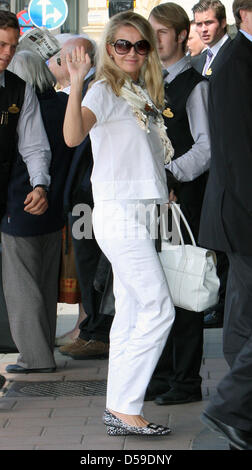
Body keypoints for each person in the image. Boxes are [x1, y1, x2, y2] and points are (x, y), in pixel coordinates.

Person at [63, 10, 175, 436]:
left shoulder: (137, 91)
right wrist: (76, 84)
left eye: (140, 44)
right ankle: (127, 405)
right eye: (122, 44)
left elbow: (143, 157)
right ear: (109, 48)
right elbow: (73, 136)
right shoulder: (104, 90)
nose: (131, 52)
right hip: (118, 212)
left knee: (131, 312)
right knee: (157, 306)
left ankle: (120, 407)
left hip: (143, 212)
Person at [145, 2, 210, 406]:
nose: (152, 41)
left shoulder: (195, 86)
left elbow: (206, 149)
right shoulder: (147, 83)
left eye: (161, 33)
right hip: (152, 201)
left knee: (183, 288)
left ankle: (186, 380)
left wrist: (171, 175)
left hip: (182, 201)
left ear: (182, 36)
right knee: (156, 289)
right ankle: (165, 373)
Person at [198, 0, 252, 450]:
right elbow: (237, 154)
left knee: (243, 309)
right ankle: (232, 406)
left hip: (239, 210)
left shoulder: (238, 57)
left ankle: (238, 408)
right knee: (242, 309)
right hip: (243, 210)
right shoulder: (237, 62)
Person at [1, 49, 75, 374]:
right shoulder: (62, 106)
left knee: (22, 286)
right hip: (54, 206)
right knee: (44, 285)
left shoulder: (19, 109)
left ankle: (35, 357)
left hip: (20, 205)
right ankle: (43, 352)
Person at [49, 35, 113, 359]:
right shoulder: (85, 88)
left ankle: (97, 333)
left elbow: (78, 142)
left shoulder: (94, 89)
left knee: (93, 264)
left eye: (62, 58)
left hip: (91, 197)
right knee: (87, 265)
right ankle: (90, 330)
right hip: (81, 196)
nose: (59, 64)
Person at [0, 11, 51, 387]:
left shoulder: (20, 88)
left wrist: (40, 185)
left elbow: (34, 145)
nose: (6, 53)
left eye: (11, 46)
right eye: (1, 45)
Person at [192, 0, 231, 328]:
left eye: (209, 23)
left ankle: (222, 305)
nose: (204, 29)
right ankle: (213, 300)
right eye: (199, 24)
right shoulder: (195, 63)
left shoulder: (233, 58)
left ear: (223, 23)